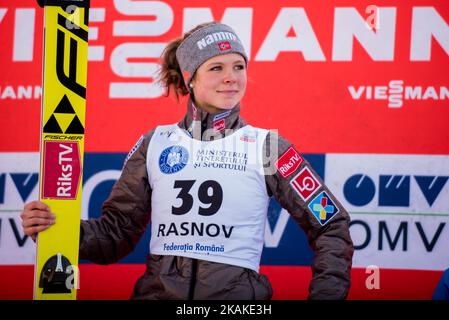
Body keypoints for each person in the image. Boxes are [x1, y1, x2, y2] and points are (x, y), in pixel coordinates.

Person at [21, 22, 354, 300]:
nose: (232, 78)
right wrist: (55, 230)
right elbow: (114, 237)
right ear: (190, 78)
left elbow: (330, 223)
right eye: (216, 68)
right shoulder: (156, 142)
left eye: (239, 67)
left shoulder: (268, 146)